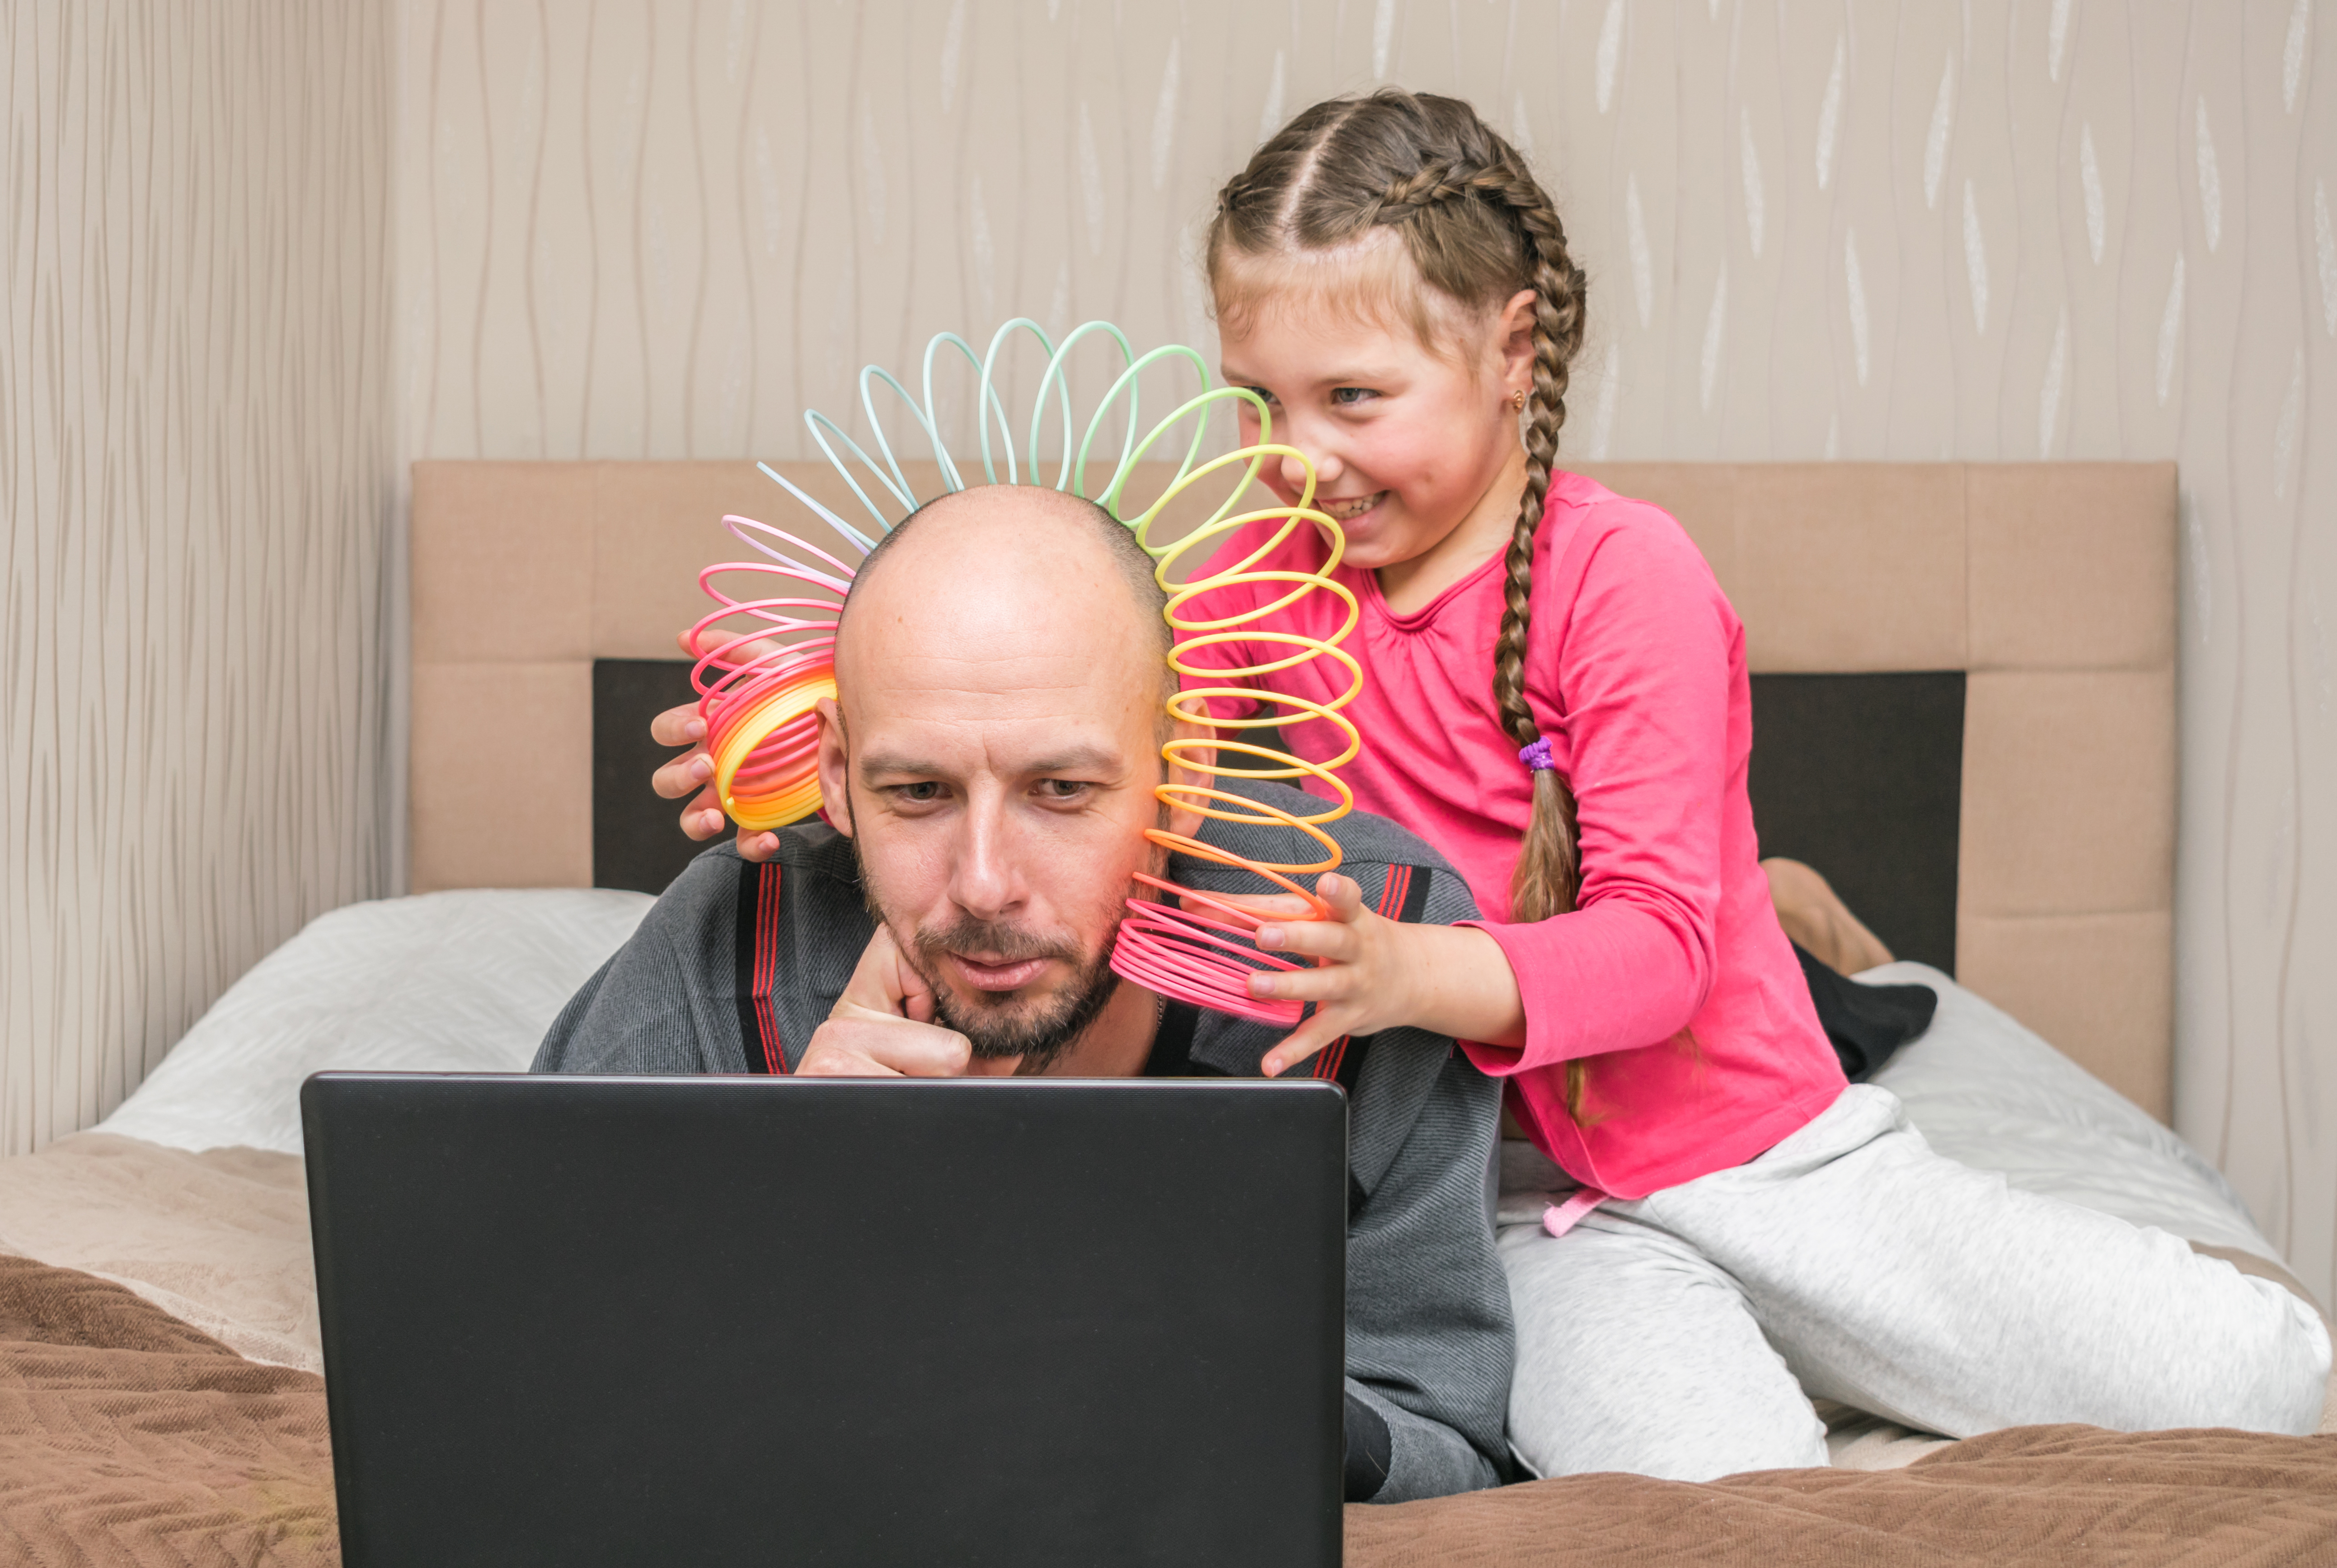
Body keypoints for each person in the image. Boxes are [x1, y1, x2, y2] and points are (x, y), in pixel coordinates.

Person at [654, 88, 2331, 1484]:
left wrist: (1399, 973)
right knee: (1721, 1498)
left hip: (1759, 1149)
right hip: (1528, 1218)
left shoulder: (1625, 577)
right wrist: (805, 750)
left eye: (1354, 398)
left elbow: (1663, 947)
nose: (1300, 453)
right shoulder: (1246, 588)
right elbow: (1082, 762)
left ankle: (1842, 1085)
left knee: (2254, 1377)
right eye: (1256, 402)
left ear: (1511, 348)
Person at [540, 484, 1515, 1504]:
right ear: (835, 773)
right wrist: (791, 1199)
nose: (982, 882)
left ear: (1179, 775)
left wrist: (1205, 1386)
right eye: (917, 791)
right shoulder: (729, 949)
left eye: (1061, 791)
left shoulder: (1377, 952)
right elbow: (523, 1357)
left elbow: (1443, 1436)